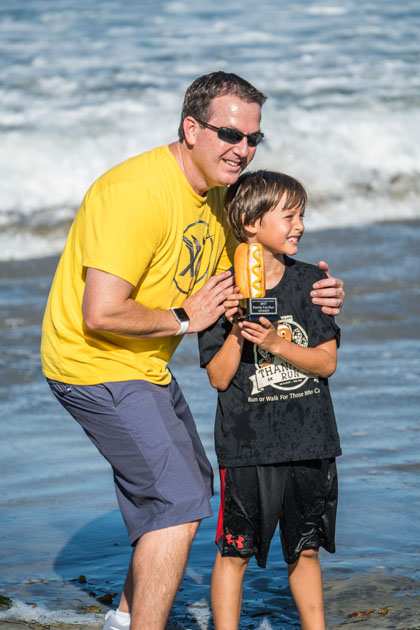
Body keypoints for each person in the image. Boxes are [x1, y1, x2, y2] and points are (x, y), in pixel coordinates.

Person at [40, 72, 345, 630]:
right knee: (178, 500)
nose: (243, 150)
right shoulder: (134, 193)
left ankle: (125, 617)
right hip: (92, 364)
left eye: (254, 138)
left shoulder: (221, 196)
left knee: (187, 486)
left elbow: (262, 260)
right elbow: (100, 312)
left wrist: (319, 288)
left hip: (143, 363)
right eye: (229, 134)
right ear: (190, 128)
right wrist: (185, 318)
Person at [198, 170, 342, 630]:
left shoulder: (311, 284)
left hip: (310, 439)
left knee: (305, 548)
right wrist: (238, 335)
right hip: (248, 445)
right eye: (289, 215)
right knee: (234, 550)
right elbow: (219, 379)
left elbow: (326, 364)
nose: (299, 224)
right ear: (250, 221)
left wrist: (279, 345)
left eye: (302, 215)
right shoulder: (221, 291)